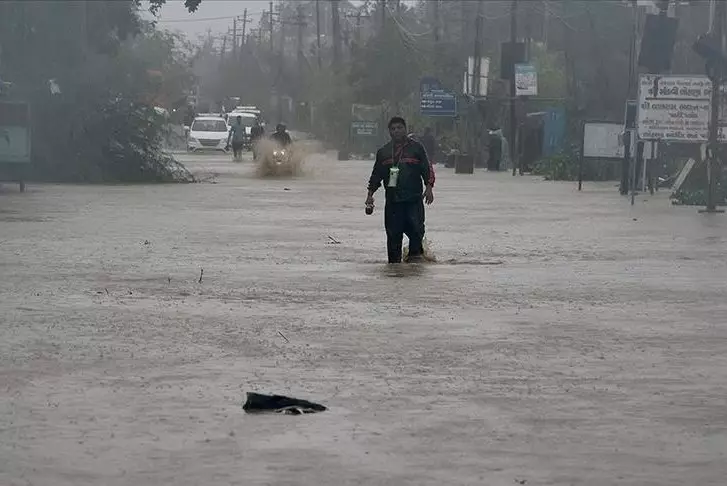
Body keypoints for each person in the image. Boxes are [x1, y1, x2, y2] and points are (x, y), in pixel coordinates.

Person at [366, 116, 435, 264]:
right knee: (393, 238)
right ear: (389, 132)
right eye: (393, 129)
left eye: (399, 128)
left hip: (413, 200)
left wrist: (429, 187)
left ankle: (415, 268)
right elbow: (376, 175)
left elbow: (427, 168)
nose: (396, 131)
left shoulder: (417, 148)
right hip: (393, 202)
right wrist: (370, 195)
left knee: (417, 233)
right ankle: (394, 272)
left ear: (405, 129)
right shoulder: (383, 152)